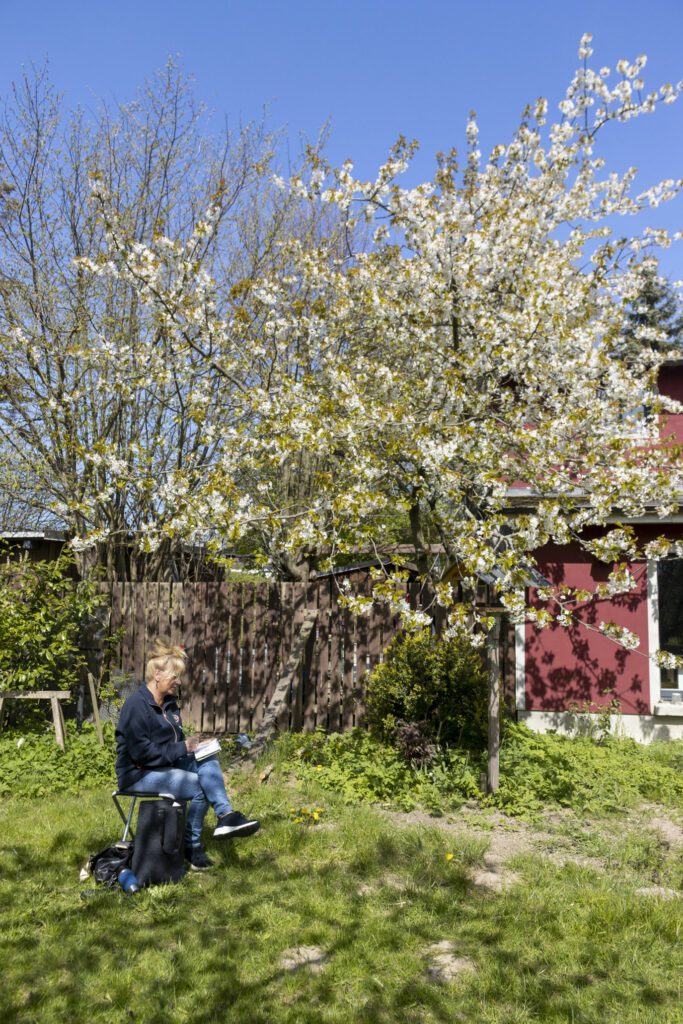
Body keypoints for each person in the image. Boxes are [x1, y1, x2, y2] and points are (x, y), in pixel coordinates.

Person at [115, 640, 259, 871]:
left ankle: (226, 816)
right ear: (158, 674)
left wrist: (197, 746)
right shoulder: (135, 706)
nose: (179, 682)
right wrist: (184, 747)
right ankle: (191, 847)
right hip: (139, 773)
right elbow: (142, 754)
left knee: (208, 758)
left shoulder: (170, 705)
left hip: (165, 764)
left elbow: (173, 745)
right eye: (175, 676)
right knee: (200, 786)